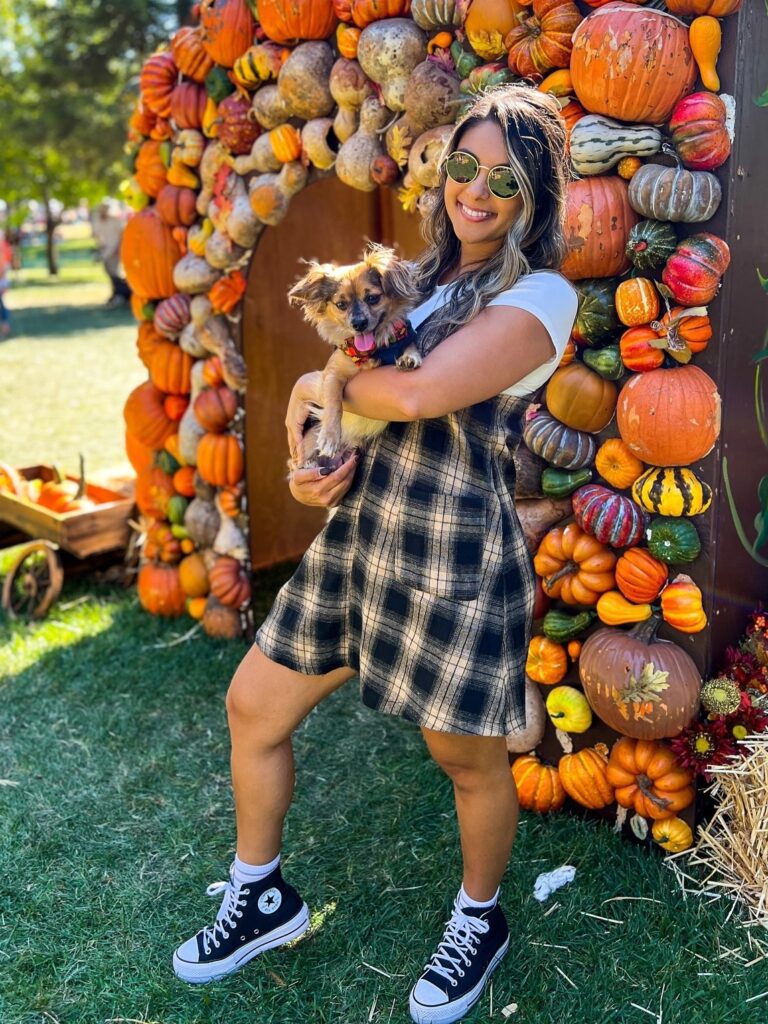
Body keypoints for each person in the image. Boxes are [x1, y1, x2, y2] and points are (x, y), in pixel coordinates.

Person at [172, 85, 579, 1024]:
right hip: (363, 536)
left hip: (453, 554)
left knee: (465, 759)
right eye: (464, 167)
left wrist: (323, 381)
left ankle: (481, 918)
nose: (475, 190)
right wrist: (319, 465)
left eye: (503, 178)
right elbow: (346, 417)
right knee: (252, 705)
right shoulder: (419, 277)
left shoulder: (541, 297)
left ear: (534, 197)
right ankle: (261, 894)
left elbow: (421, 392)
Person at [91, 200, 131, 308]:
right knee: (110, 273)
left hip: (116, 249)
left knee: (117, 273)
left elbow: (122, 234)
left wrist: (119, 248)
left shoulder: (115, 221)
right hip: (106, 251)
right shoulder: (97, 222)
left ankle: (123, 294)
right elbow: (97, 236)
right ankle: (116, 293)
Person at [0, 230, 12, 338]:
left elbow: (5, 266)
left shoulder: (4, 247)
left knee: (2, 306)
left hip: (1, 280)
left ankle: (5, 327)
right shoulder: (5, 246)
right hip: (2, 280)